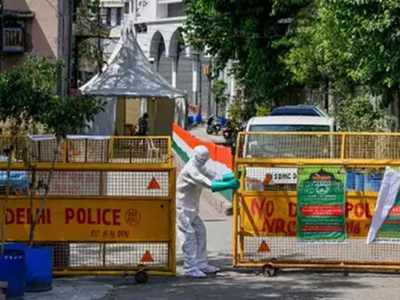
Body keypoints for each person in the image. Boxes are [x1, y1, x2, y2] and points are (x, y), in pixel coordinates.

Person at [176, 145, 239, 278]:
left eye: (205, 159)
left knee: (201, 233)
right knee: (189, 237)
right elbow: (210, 184)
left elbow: (213, 175)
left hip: (192, 209)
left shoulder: (199, 166)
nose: (203, 161)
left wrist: (232, 176)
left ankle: (201, 263)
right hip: (183, 210)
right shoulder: (191, 170)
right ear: (196, 156)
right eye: (202, 158)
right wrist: (229, 185)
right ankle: (190, 267)